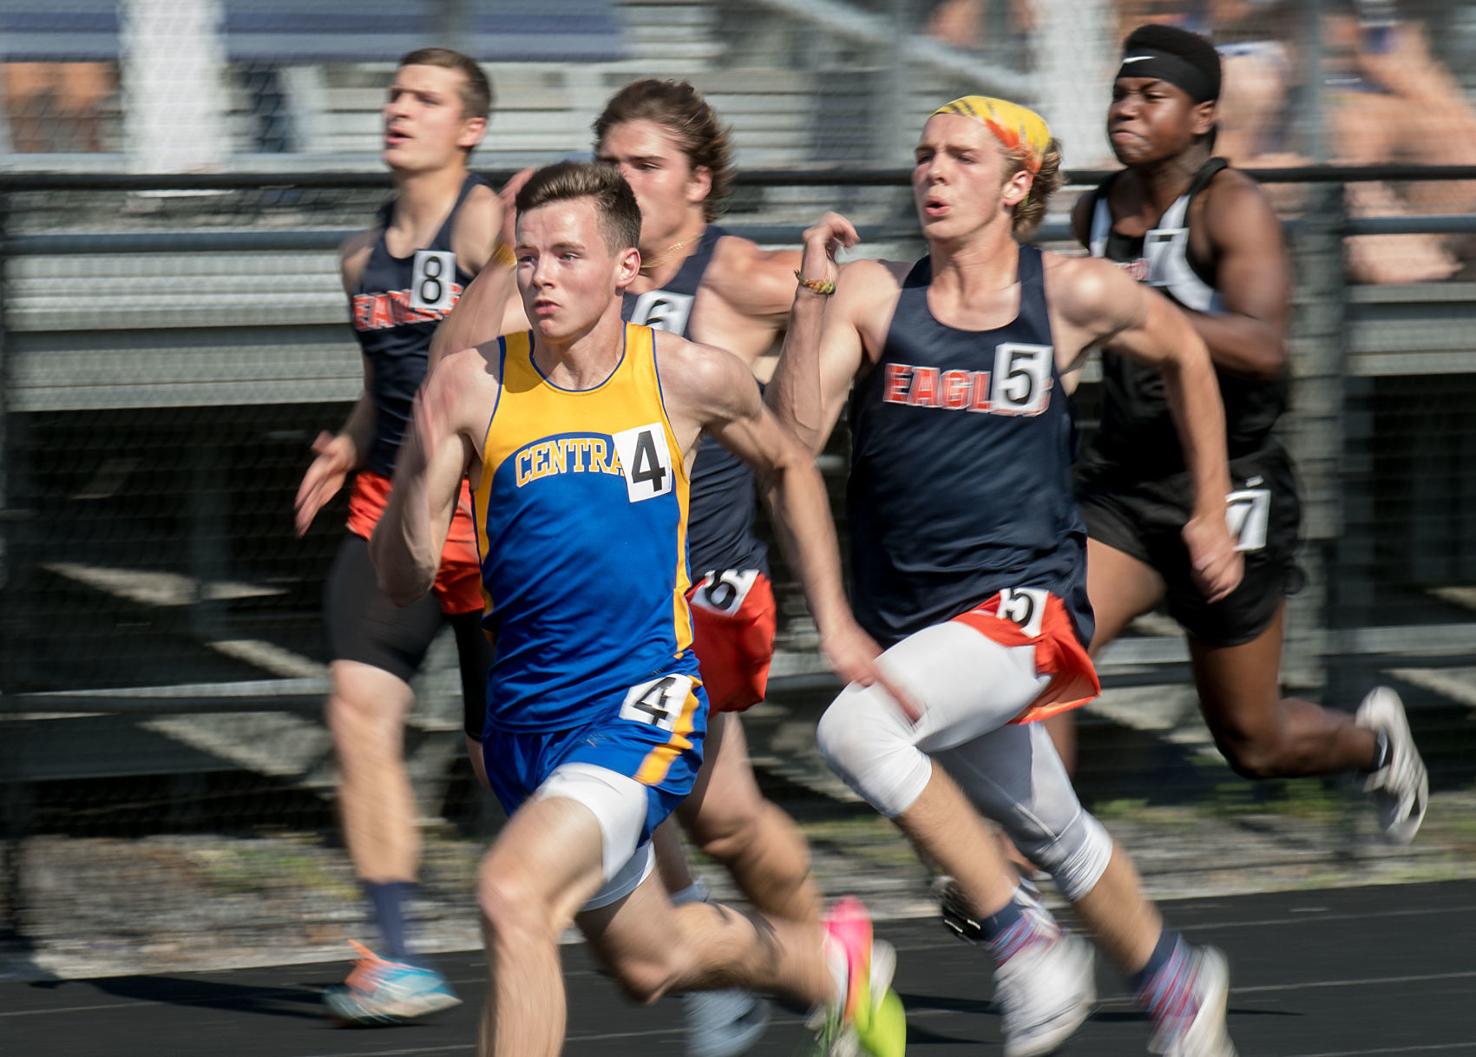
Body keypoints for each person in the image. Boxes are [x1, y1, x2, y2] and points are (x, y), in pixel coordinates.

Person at [370, 160, 907, 1057]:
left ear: (627, 268)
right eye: (526, 256)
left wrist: (838, 618)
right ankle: (832, 969)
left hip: (641, 702)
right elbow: (402, 576)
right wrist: (417, 482)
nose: (540, 276)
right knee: (649, 960)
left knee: (512, 894)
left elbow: (785, 462)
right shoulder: (469, 386)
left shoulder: (689, 376)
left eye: (567, 255)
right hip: (526, 721)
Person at [769, 95, 1242, 1056]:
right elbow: (792, 443)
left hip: (1025, 609)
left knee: (855, 728)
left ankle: (1024, 939)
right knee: (1059, 830)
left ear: (1018, 184)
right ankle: (1177, 981)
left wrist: (1209, 506)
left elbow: (1188, 351)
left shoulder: (1068, 292)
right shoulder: (870, 294)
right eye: (923, 155)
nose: (933, 173)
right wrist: (809, 300)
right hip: (917, 626)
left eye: (961, 159)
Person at [431, 78, 821, 1057]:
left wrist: (822, 289)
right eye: (613, 162)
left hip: (678, 628)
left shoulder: (724, 290)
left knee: (563, 874)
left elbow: (798, 436)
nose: (625, 178)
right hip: (538, 673)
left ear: (691, 187)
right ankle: (830, 967)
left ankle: (812, 936)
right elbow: (440, 433)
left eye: (644, 165)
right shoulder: (512, 300)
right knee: (645, 961)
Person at [1054, 23, 1427, 843]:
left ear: (1202, 116)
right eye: (1121, 93)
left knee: (1253, 741)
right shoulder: (1092, 210)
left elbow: (1264, 345)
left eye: (1152, 96)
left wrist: (1138, 308)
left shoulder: (1232, 207)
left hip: (1232, 490)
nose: (1127, 109)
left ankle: (1371, 741)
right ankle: (1029, 860)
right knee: (1045, 655)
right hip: (1122, 488)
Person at [292, 47, 505, 1024]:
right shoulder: (356, 255)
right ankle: (395, 955)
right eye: (393, 93)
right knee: (355, 709)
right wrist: (345, 435)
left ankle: (635, 905)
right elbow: (387, 371)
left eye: (427, 98)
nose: (400, 109)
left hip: (498, 513)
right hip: (391, 507)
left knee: (502, 757)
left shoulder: (482, 219)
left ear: (470, 128)